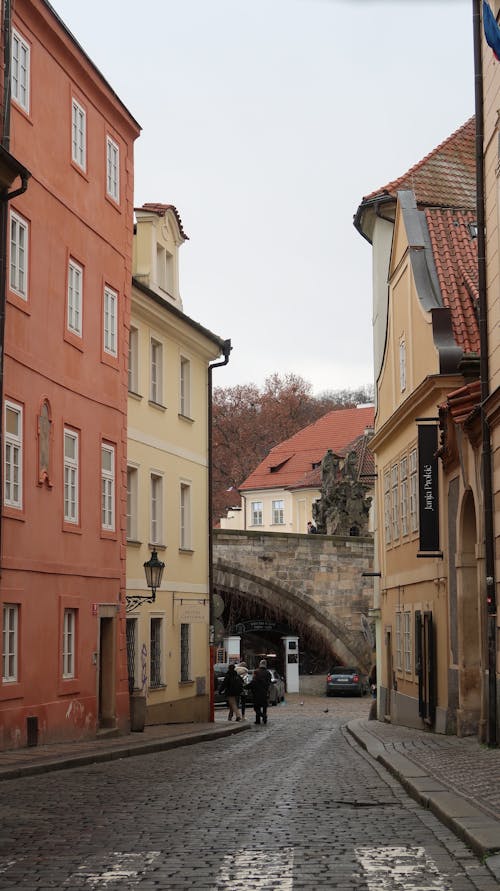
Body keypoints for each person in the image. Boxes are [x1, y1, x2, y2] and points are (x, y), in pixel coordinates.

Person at [249, 659, 272, 725]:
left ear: (260, 664)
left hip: (256, 692)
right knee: (264, 707)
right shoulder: (268, 673)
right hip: (264, 692)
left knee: (257, 707)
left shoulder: (256, 672)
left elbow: (253, 682)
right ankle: (264, 718)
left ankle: (258, 719)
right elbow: (269, 683)